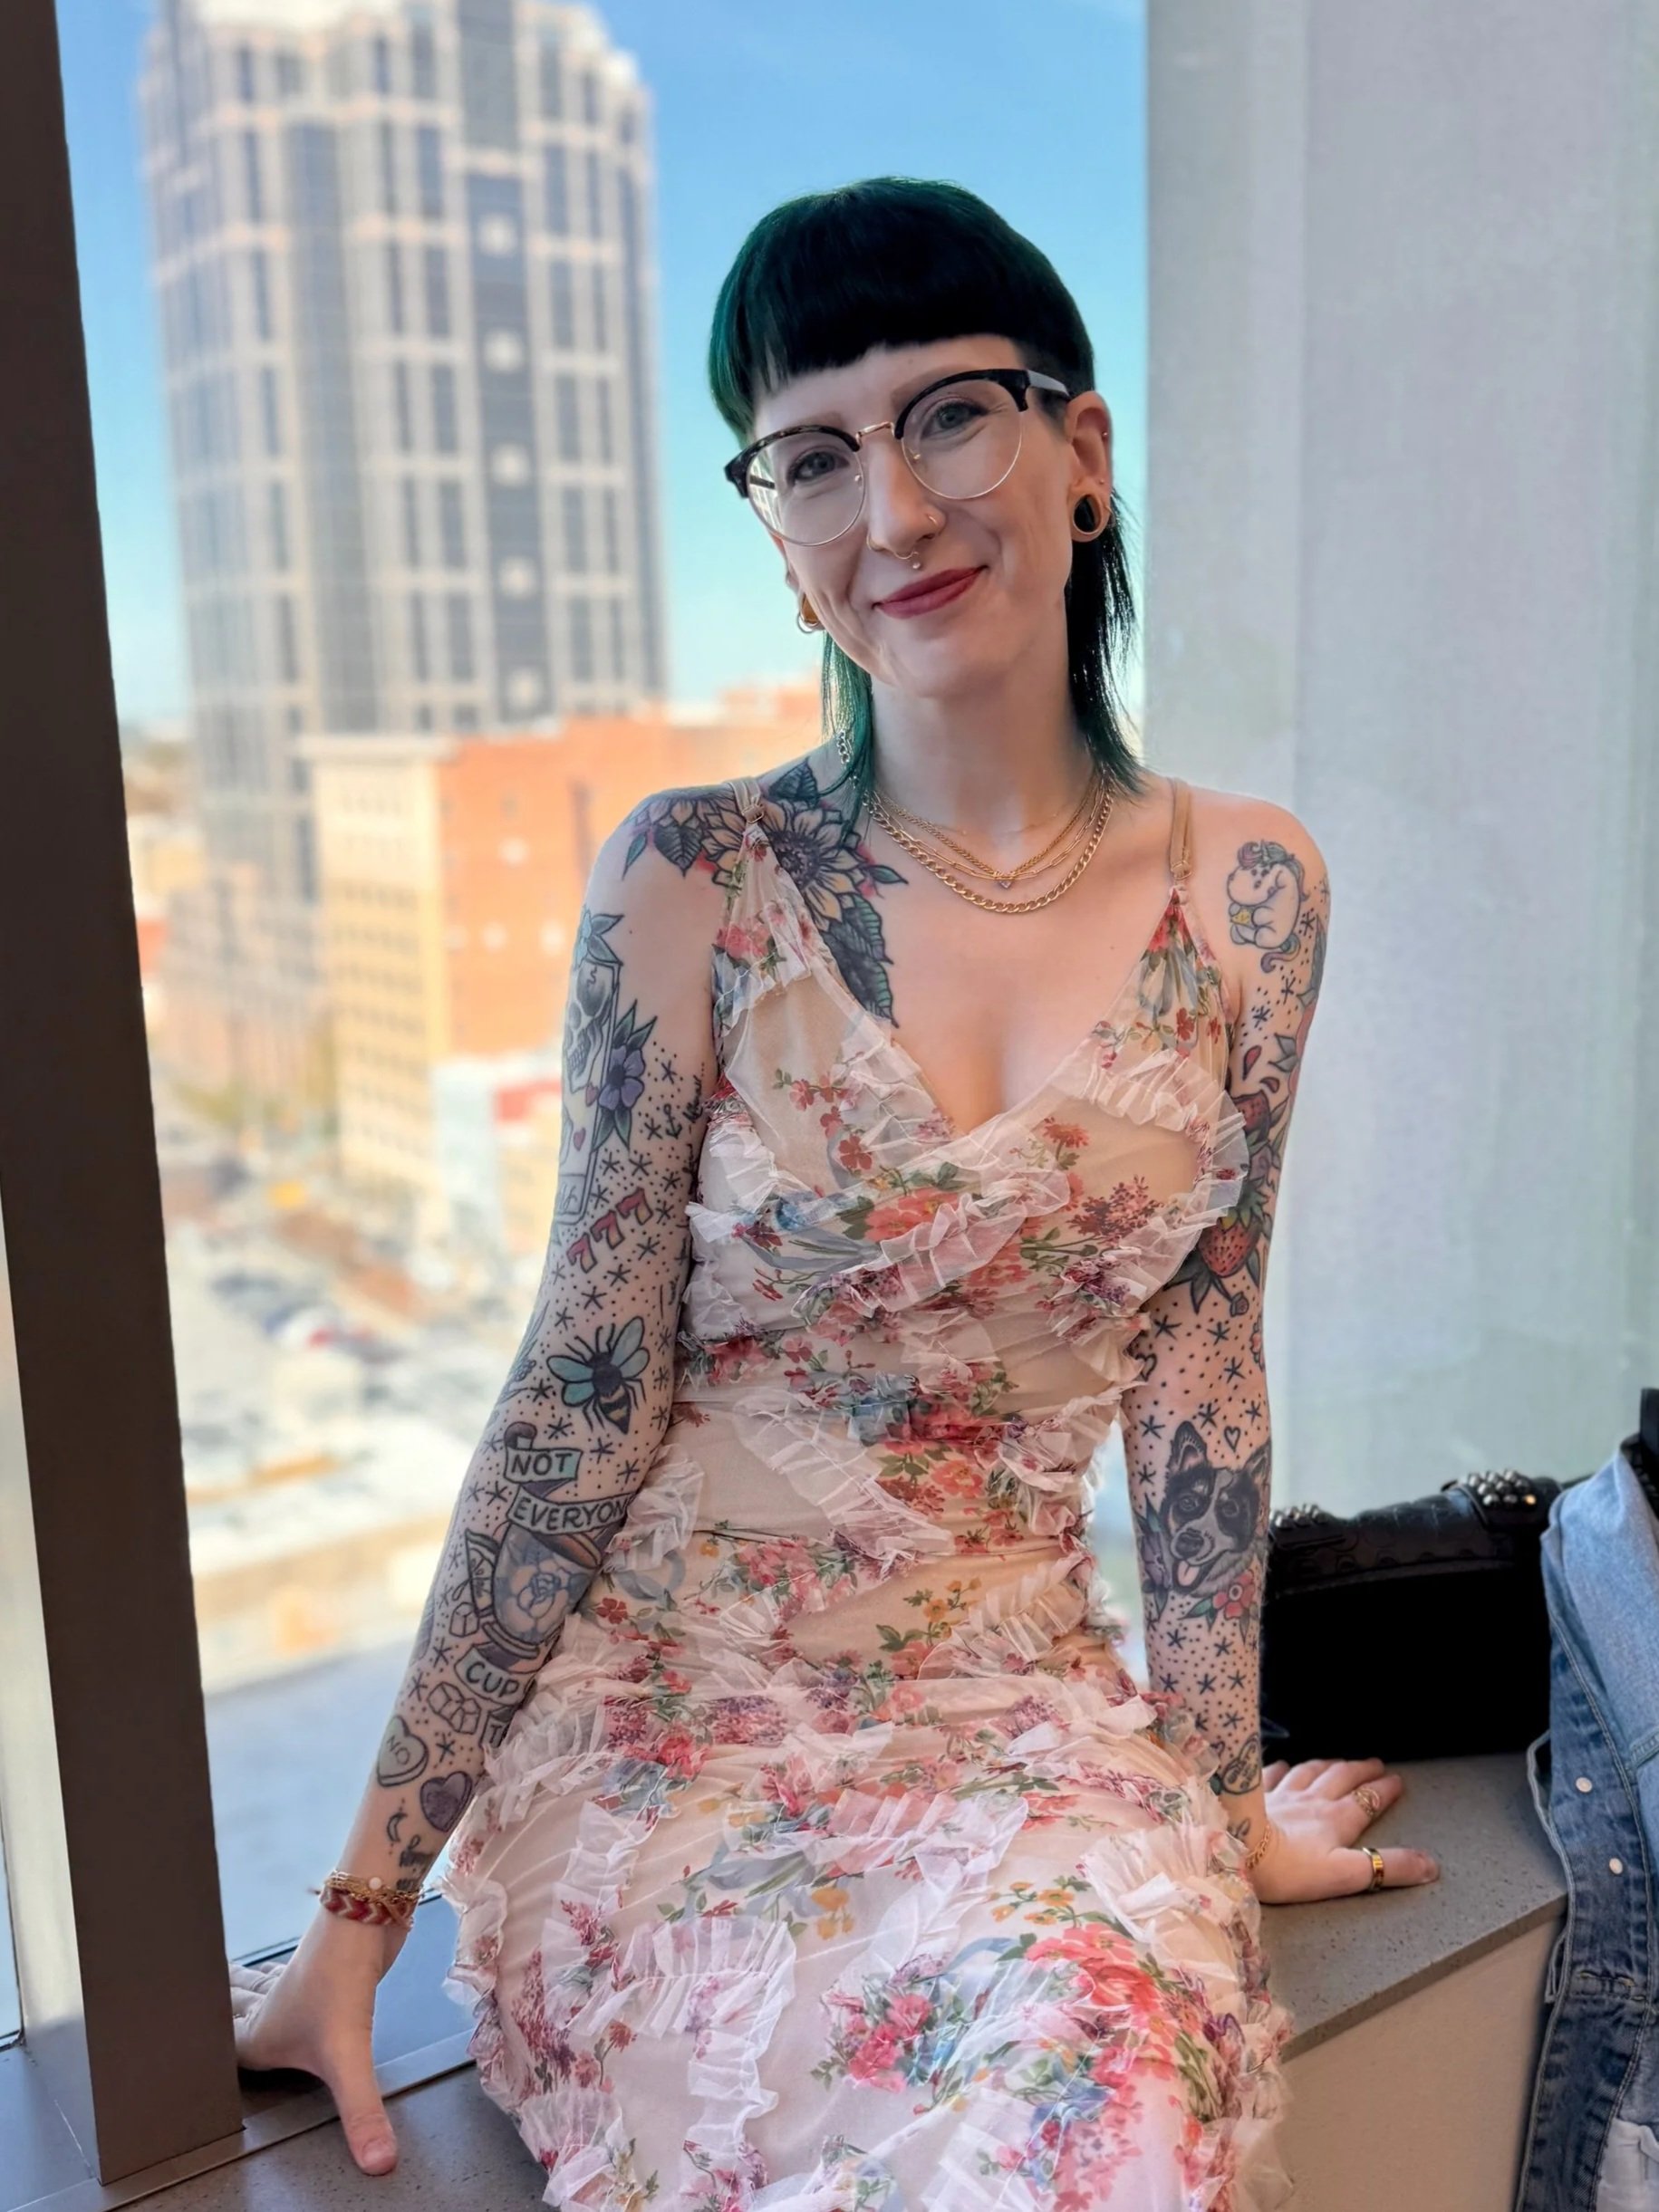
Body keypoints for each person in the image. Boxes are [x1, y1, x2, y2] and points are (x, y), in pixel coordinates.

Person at [231, 178, 1439, 2208]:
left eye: (949, 413)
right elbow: (572, 1400)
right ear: (780, 548)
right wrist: (362, 1913)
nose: (893, 511)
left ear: (1081, 458)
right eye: (813, 456)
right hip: (671, 1727)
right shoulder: (691, 882)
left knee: (1105, 2112)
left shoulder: (1249, 896)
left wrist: (1216, 1798)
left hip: (1013, 1702)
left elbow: (1202, 1372)